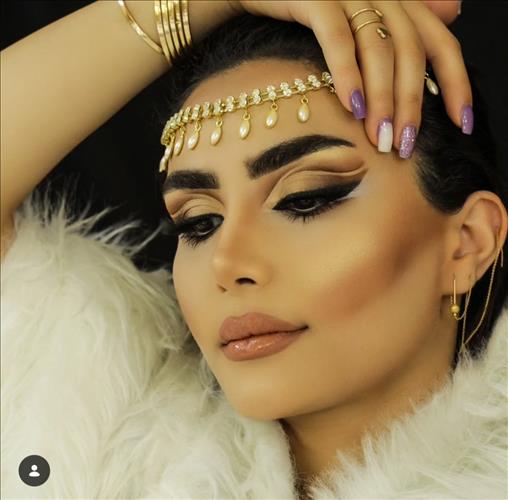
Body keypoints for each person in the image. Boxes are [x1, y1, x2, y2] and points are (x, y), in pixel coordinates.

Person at [1, 1, 506, 499]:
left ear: (469, 242)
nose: (227, 262)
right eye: (199, 223)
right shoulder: (102, 418)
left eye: (304, 200)